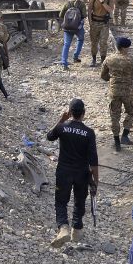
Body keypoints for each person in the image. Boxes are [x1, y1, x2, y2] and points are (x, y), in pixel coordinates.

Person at [46, 99, 99, 247]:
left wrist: (61, 119)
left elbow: (49, 136)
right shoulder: (89, 133)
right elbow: (93, 160)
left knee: (61, 201)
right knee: (79, 200)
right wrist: (95, 181)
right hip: (82, 173)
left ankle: (63, 227)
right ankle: (77, 230)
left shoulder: (62, 128)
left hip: (63, 171)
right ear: (83, 113)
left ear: (70, 112)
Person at [100, 37, 133, 150]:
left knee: (114, 116)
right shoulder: (131, 60)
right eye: (128, 47)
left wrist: (113, 79)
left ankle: (117, 142)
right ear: (124, 48)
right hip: (128, 92)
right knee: (131, 112)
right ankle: (125, 135)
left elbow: (103, 76)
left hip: (114, 91)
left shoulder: (109, 59)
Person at [86, 0, 114, 67]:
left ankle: (103, 60)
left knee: (103, 42)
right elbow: (89, 11)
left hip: (104, 24)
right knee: (94, 42)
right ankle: (94, 59)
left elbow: (110, 10)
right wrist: (90, 22)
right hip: (94, 23)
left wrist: (103, 2)